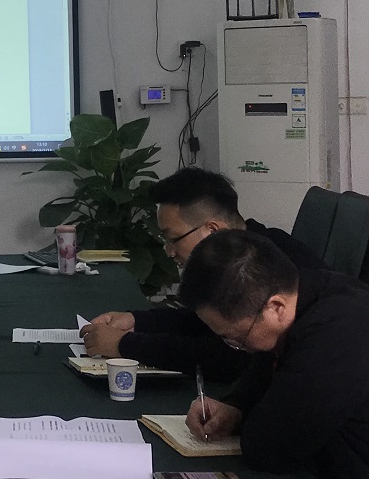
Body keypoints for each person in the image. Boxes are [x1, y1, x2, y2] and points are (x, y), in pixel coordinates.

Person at [79, 167, 325, 379]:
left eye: (173, 239)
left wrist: (125, 345)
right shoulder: (250, 247)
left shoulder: (266, 266)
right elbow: (203, 322)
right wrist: (138, 321)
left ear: (212, 231)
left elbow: (233, 358)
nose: (170, 252)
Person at [181, 230, 369, 479]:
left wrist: (249, 417)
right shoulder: (301, 297)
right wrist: (235, 407)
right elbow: (263, 372)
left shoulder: (338, 332)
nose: (236, 346)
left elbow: (269, 449)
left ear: (276, 306)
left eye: (236, 338)